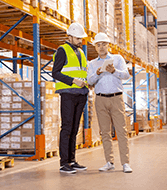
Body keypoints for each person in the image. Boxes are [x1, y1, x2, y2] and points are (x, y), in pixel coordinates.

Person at [87, 32, 133, 173]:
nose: (101, 47)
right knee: (105, 132)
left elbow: (126, 75)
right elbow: (89, 81)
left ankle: (125, 163)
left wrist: (114, 71)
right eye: (98, 45)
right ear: (95, 47)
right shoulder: (92, 64)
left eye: (104, 44)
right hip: (100, 99)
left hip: (116, 98)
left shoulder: (118, 59)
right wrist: (97, 74)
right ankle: (109, 162)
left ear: (108, 45)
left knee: (121, 131)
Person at [52, 23, 88, 174]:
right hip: (68, 93)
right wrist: (73, 81)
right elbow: (55, 73)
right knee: (67, 127)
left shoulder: (80, 52)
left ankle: (72, 161)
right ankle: (63, 163)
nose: (80, 41)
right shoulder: (62, 50)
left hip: (81, 94)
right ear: (70, 36)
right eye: (78, 38)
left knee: (74, 128)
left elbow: (82, 72)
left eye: (81, 38)